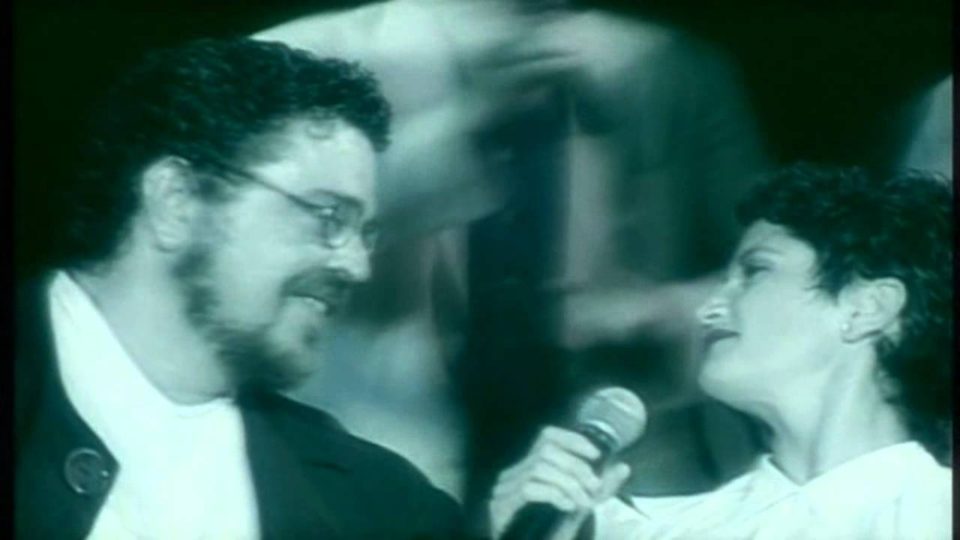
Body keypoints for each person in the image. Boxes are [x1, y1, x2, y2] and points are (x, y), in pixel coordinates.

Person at [255, 0, 767, 522]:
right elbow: (263, 245)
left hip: (619, 474)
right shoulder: (305, 56)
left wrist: (667, 315)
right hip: (380, 463)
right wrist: (471, 121)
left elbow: (767, 263)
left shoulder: (668, 67)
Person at [14, 37, 461, 539]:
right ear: (177, 200)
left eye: (366, 234)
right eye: (328, 216)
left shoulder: (389, 507)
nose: (358, 267)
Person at [489, 163, 953, 539]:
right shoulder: (635, 530)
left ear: (867, 307)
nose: (708, 307)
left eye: (755, 271)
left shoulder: (936, 515)